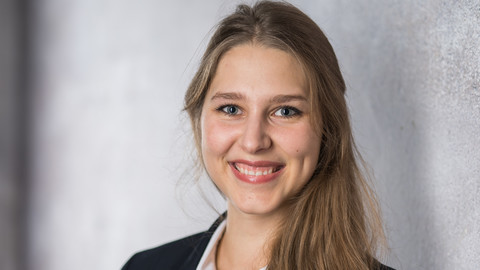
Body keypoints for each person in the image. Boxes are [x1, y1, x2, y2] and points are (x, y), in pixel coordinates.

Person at [122, 1, 394, 269]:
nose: (253, 142)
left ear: (328, 129)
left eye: (285, 111)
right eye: (231, 109)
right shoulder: (144, 266)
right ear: (199, 118)